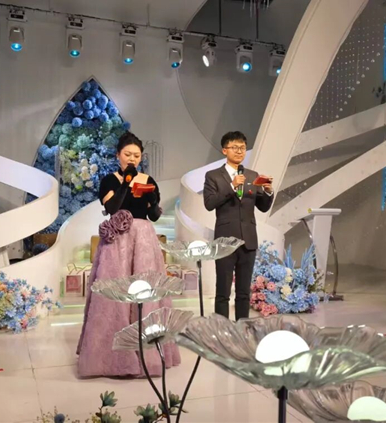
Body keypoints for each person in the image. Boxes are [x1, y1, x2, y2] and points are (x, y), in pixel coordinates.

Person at [77, 131, 181, 378]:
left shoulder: (148, 180)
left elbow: (153, 216)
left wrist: (152, 198)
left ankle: (147, 355)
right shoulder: (109, 180)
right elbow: (112, 207)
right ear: (118, 155)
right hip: (118, 243)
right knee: (114, 295)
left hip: (143, 240)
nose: (132, 158)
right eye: (128, 154)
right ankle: (110, 358)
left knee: (145, 293)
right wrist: (126, 183)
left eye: (136, 155)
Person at [203, 131, 274, 320]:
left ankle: (244, 328)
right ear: (224, 150)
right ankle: (222, 329)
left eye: (242, 147)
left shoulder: (252, 175)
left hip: (248, 239)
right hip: (225, 240)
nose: (239, 151)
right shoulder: (213, 176)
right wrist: (232, 186)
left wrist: (268, 191)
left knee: (244, 292)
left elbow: (263, 206)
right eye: (235, 147)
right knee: (223, 291)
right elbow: (209, 203)